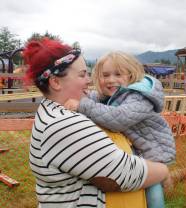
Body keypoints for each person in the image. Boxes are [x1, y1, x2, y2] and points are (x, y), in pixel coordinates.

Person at [23, 38, 171, 208]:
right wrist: (164, 171)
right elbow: (123, 174)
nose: (88, 80)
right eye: (82, 74)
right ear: (55, 82)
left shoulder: (53, 112)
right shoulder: (64, 125)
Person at [64, 51, 176, 208]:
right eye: (105, 75)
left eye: (118, 74)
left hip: (154, 152)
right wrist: (80, 95)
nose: (111, 80)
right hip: (137, 150)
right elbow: (96, 99)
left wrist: (82, 105)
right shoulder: (113, 95)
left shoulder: (138, 98)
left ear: (130, 76)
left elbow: (119, 119)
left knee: (153, 193)